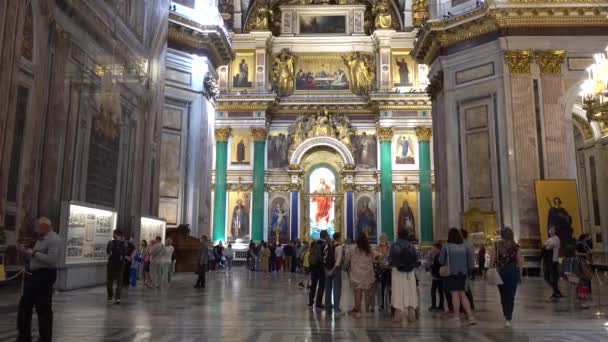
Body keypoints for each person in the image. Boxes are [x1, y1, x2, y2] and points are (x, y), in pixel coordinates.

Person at [16, 217, 60, 342]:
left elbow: (52, 260)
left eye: (37, 227)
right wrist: (24, 251)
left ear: (44, 227)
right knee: (24, 307)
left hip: (45, 276)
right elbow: (33, 255)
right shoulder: (39, 238)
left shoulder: (54, 239)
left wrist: (33, 253)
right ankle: (24, 336)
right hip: (33, 275)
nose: (35, 229)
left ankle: (45, 338)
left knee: (43, 309)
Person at [440, 228, 476, 325]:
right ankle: (471, 317)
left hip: (452, 273)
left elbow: (441, 260)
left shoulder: (446, 246)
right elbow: (469, 260)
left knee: (455, 294)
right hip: (463, 273)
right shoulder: (464, 246)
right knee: (463, 294)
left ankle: (456, 317)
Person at [490, 227, 522, 327]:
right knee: (511, 296)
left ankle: (505, 314)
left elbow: (492, 259)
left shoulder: (496, 245)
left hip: (501, 271)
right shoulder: (516, 246)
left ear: (502, 235)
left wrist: (491, 270)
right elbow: (520, 262)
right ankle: (509, 317)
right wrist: (520, 275)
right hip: (512, 271)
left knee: (503, 295)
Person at [389, 229, 419, 323]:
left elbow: (390, 259)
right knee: (411, 292)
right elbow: (415, 259)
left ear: (398, 235)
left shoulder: (394, 245)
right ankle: (411, 315)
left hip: (397, 272)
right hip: (409, 273)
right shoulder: (411, 245)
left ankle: (398, 316)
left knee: (398, 292)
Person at [349, 234, 375, 318]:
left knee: (357, 292)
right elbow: (373, 259)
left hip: (356, 273)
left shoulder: (353, 249)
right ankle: (367, 311)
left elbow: (349, 258)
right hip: (367, 273)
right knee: (367, 292)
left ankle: (358, 311)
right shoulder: (369, 249)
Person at [324, 232, 344, 313]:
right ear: (339, 238)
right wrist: (333, 270)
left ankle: (327, 308)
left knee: (328, 289)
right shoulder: (339, 247)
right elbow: (338, 260)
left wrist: (327, 270)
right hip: (336, 269)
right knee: (337, 289)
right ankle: (336, 308)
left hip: (327, 268)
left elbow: (324, 258)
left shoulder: (327, 246)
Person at [308, 231, 328, 309]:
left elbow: (310, 253)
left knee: (313, 284)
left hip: (313, 266)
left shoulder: (313, 243)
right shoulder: (325, 244)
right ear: (325, 236)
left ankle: (310, 301)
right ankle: (318, 303)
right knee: (321, 285)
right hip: (321, 266)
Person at [106, 229, 126, 303]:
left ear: (114, 234)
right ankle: (118, 298)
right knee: (119, 281)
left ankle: (110, 297)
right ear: (120, 236)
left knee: (109, 280)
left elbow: (108, 252)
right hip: (120, 265)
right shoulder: (123, 244)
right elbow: (124, 254)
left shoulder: (110, 243)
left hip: (111, 264)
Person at [543, 227, 563, 300]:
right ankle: (556, 291)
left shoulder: (556, 239)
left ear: (554, 231)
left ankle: (556, 292)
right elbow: (544, 246)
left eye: (552, 230)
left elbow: (548, 248)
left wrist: (546, 246)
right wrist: (546, 246)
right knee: (546, 276)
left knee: (554, 277)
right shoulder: (549, 239)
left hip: (553, 260)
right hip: (548, 260)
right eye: (550, 230)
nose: (550, 231)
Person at [373, 233, 390, 310]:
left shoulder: (389, 247)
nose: (383, 240)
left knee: (389, 287)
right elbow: (375, 258)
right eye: (382, 239)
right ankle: (381, 303)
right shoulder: (377, 248)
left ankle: (389, 302)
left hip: (388, 269)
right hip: (380, 270)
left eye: (384, 239)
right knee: (381, 287)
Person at [460, 229, 475, 310]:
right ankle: (469, 305)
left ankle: (469, 306)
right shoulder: (468, 243)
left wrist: (470, 268)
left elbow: (469, 257)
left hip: (464, 268)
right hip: (465, 267)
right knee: (466, 287)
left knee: (465, 288)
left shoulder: (465, 244)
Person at [429, 242, 445, 312]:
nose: (432, 249)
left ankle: (434, 305)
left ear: (437, 249)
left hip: (437, 276)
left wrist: (431, 267)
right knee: (440, 291)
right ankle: (440, 306)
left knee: (434, 291)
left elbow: (437, 266)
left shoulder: (438, 256)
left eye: (434, 248)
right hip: (438, 276)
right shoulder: (437, 255)